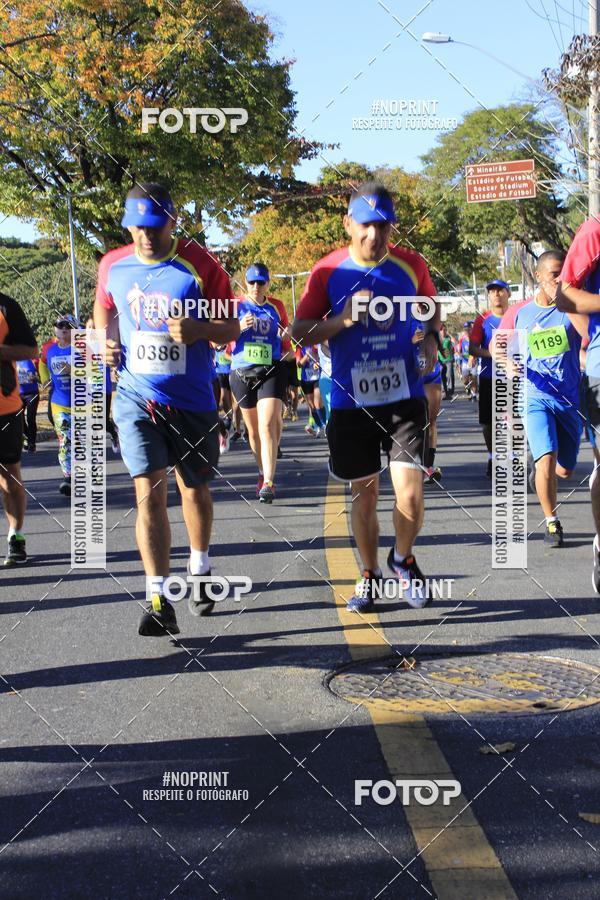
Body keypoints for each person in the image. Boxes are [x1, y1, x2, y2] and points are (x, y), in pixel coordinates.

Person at [94, 182, 239, 635]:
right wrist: (104, 342)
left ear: (172, 222)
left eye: (155, 227)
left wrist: (199, 329)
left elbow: (231, 325)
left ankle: (199, 569)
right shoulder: (112, 265)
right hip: (136, 397)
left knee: (193, 489)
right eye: (137, 227)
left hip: (192, 401)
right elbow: (104, 311)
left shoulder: (200, 265)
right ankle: (158, 597)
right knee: (148, 493)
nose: (146, 236)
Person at [292, 181, 440, 612]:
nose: (374, 235)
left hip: (403, 396)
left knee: (410, 493)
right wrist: (340, 321)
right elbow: (298, 332)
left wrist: (431, 339)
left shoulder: (411, 266)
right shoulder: (326, 272)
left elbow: (431, 310)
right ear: (348, 224)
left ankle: (403, 558)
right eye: (365, 226)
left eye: (383, 226)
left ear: (392, 226)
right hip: (350, 402)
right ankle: (369, 573)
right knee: (366, 494)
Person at [495, 251, 583, 547]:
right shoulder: (520, 312)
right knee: (545, 461)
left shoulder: (572, 308)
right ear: (538, 276)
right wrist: (508, 363)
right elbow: (499, 345)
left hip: (569, 398)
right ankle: (552, 521)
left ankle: (547, 476)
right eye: (553, 275)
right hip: (534, 395)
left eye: (563, 275)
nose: (559, 280)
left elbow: (588, 340)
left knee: (564, 469)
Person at [229, 263, 289, 502]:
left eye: (260, 282)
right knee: (253, 431)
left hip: (271, 369)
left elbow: (286, 340)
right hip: (241, 372)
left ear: (267, 283)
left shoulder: (277, 307)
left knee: (266, 426)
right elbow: (218, 339)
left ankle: (269, 482)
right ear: (246, 283)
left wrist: (288, 338)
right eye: (252, 282)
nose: (256, 287)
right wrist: (237, 327)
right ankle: (262, 471)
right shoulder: (234, 306)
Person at [0, 292, 38, 567]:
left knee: (10, 474)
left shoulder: (6, 306)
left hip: (4, 406)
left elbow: (30, 350)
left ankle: (16, 535)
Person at [470, 282, 510, 478]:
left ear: (508, 294)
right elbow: (472, 348)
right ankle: (493, 456)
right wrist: (493, 354)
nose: (496, 295)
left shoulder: (517, 314)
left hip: (512, 378)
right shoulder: (483, 319)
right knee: (488, 423)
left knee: (512, 421)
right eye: (492, 292)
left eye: (500, 291)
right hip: (489, 377)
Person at [39, 315, 78, 496]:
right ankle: (68, 478)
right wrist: (45, 379)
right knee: (65, 440)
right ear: (55, 329)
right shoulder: (50, 350)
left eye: (68, 325)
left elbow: (96, 371)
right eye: (59, 325)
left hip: (82, 403)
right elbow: (42, 363)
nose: (64, 328)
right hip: (59, 403)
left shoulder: (83, 349)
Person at [413, 317, 443, 483]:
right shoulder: (397, 309)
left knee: (430, 421)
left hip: (431, 374)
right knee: (413, 423)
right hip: (410, 374)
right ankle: (412, 465)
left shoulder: (430, 316)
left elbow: (440, 341)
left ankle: (428, 468)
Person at [298, 344, 325, 436]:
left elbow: (325, 357)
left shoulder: (318, 345)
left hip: (317, 378)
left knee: (318, 403)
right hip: (306, 379)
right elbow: (299, 364)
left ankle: (325, 424)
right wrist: (307, 356)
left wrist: (318, 363)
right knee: (312, 406)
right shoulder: (300, 348)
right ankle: (319, 426)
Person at [16, 357, 40, 452]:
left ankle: (32, 443)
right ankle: (27, 437)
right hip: (18, 395)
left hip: (32, 394)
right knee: (19, 418)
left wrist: (35, 377)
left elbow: (41, 377)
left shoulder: (33, 360)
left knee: (30, 418)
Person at [458, 322, 477, 400]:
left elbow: (477, 350)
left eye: (468, 329)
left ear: (471, 329)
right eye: (465, 329)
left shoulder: (475, 339)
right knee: (465, 381)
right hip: (465, 362)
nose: (467, 331)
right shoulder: (462, 340)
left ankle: (474, 395)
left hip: (473, 362)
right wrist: (461, 356)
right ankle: (468, 389)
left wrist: (474, 359)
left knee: (473, 379)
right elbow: (458, 350)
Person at [438, 323, 455, 399]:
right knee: (442, 376)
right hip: (441, 360)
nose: (443, 331)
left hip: (449, 360)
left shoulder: (448, 338)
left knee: (449, 375)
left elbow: (455, 342)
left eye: (445, 330)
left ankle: (450, 391)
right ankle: (445, 392)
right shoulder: (438, 339)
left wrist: (450, 335)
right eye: (442, 330)